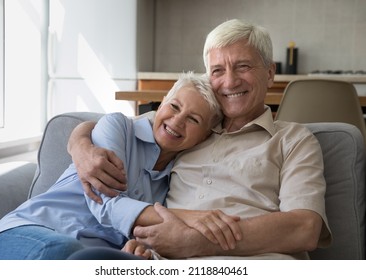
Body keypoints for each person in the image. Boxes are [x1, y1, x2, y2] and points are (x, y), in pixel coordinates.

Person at [67, 18, 332, 260]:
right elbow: (123, 126)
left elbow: (306, 228)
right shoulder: (190, 128)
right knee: (84, 262)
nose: (229, 81)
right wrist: (80, 145)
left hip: (255, 263)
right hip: (165, 261)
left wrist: (200, 242)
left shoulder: (294, 140)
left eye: (243, 66)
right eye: (217, 71)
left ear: (270, 73)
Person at [0, 72, 234, 260]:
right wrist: (192, 218)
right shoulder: (119, 127)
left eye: (193, 119)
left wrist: (137, 246)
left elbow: (146, 234)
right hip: (28, 233)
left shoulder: (177, 181)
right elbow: (106, 203)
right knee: (64, 253)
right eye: (174, 106)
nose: (177, 121)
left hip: (89, 256)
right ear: (163, 101)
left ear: (205, 135)